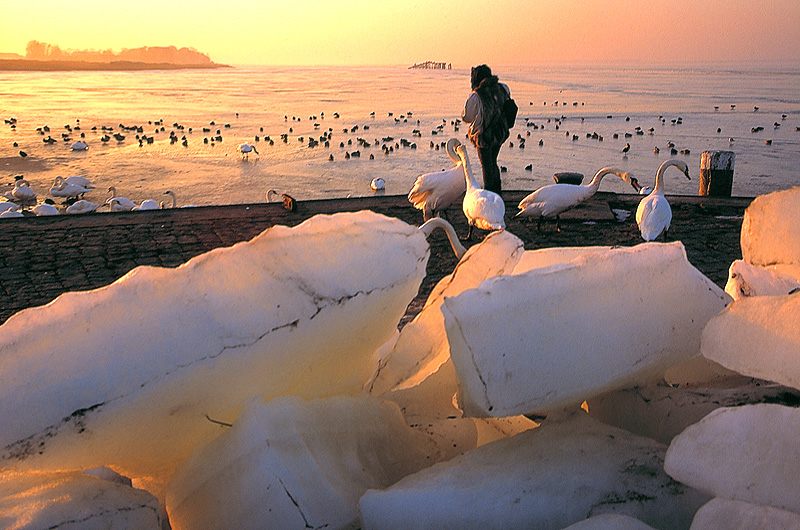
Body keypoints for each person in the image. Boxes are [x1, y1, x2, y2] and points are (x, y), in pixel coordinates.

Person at [461, 64, 512, 195]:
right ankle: (497, 192)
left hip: (483, 136)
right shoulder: (503, 88)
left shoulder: (476, 96)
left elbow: (467, 117)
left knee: (486, 166)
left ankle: (490, 195)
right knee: (493, 161)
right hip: (500, 133)